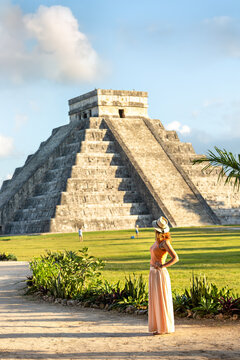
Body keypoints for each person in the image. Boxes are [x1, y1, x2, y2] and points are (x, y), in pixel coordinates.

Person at [148, 216, 179, 335]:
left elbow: (175, 258)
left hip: (159, 273)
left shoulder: (165, 243)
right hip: (153, 273)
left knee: (160, 299)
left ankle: (163, 327)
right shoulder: (158, 242)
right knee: (156, 299)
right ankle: (158, 326)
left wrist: (162, 265)